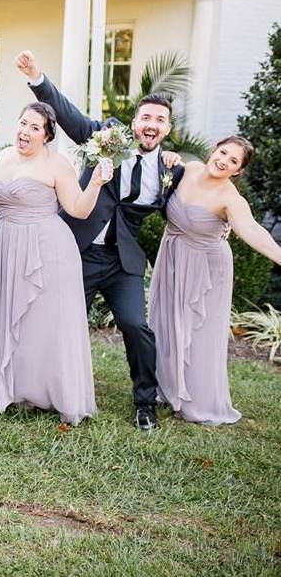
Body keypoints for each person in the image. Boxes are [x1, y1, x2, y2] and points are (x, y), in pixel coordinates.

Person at [15, 49, 184, 430]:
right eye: (145, 117)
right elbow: (70, 116)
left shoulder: (173, 170)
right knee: (56, 320)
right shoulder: (108, 138)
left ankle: (145, 402)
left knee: (135, 326)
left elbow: (194, 200)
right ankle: (43, 390)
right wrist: (37, 77)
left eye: (160, 120)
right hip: (77, 251)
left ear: (168, 128)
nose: (151, 124)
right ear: (135, 122)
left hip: (122, 263)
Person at [0, 103, 112, 425]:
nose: (25, 131)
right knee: (12, 315)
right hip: (9, 247)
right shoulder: (5, 156)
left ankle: (50, 391)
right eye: (23, 123)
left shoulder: (56, 164)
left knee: (45, 322)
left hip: (47, 250)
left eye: (35, 127)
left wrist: (96, 184)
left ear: (47, 136)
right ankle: (16, 386)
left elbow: (78, 210)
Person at [149, 136, 281, 425]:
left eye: (233, 161)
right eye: (222, 152)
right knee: (167, 319)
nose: (223, 161)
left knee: (199, 332)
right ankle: (166, 387)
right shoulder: (192, 169)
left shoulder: (231, 199)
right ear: (213, 150)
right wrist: (168, 159)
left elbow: (252, 230)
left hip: (207, 268)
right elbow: (158, 175)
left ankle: (197, 400)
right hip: (172, 255)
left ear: (238, 171)